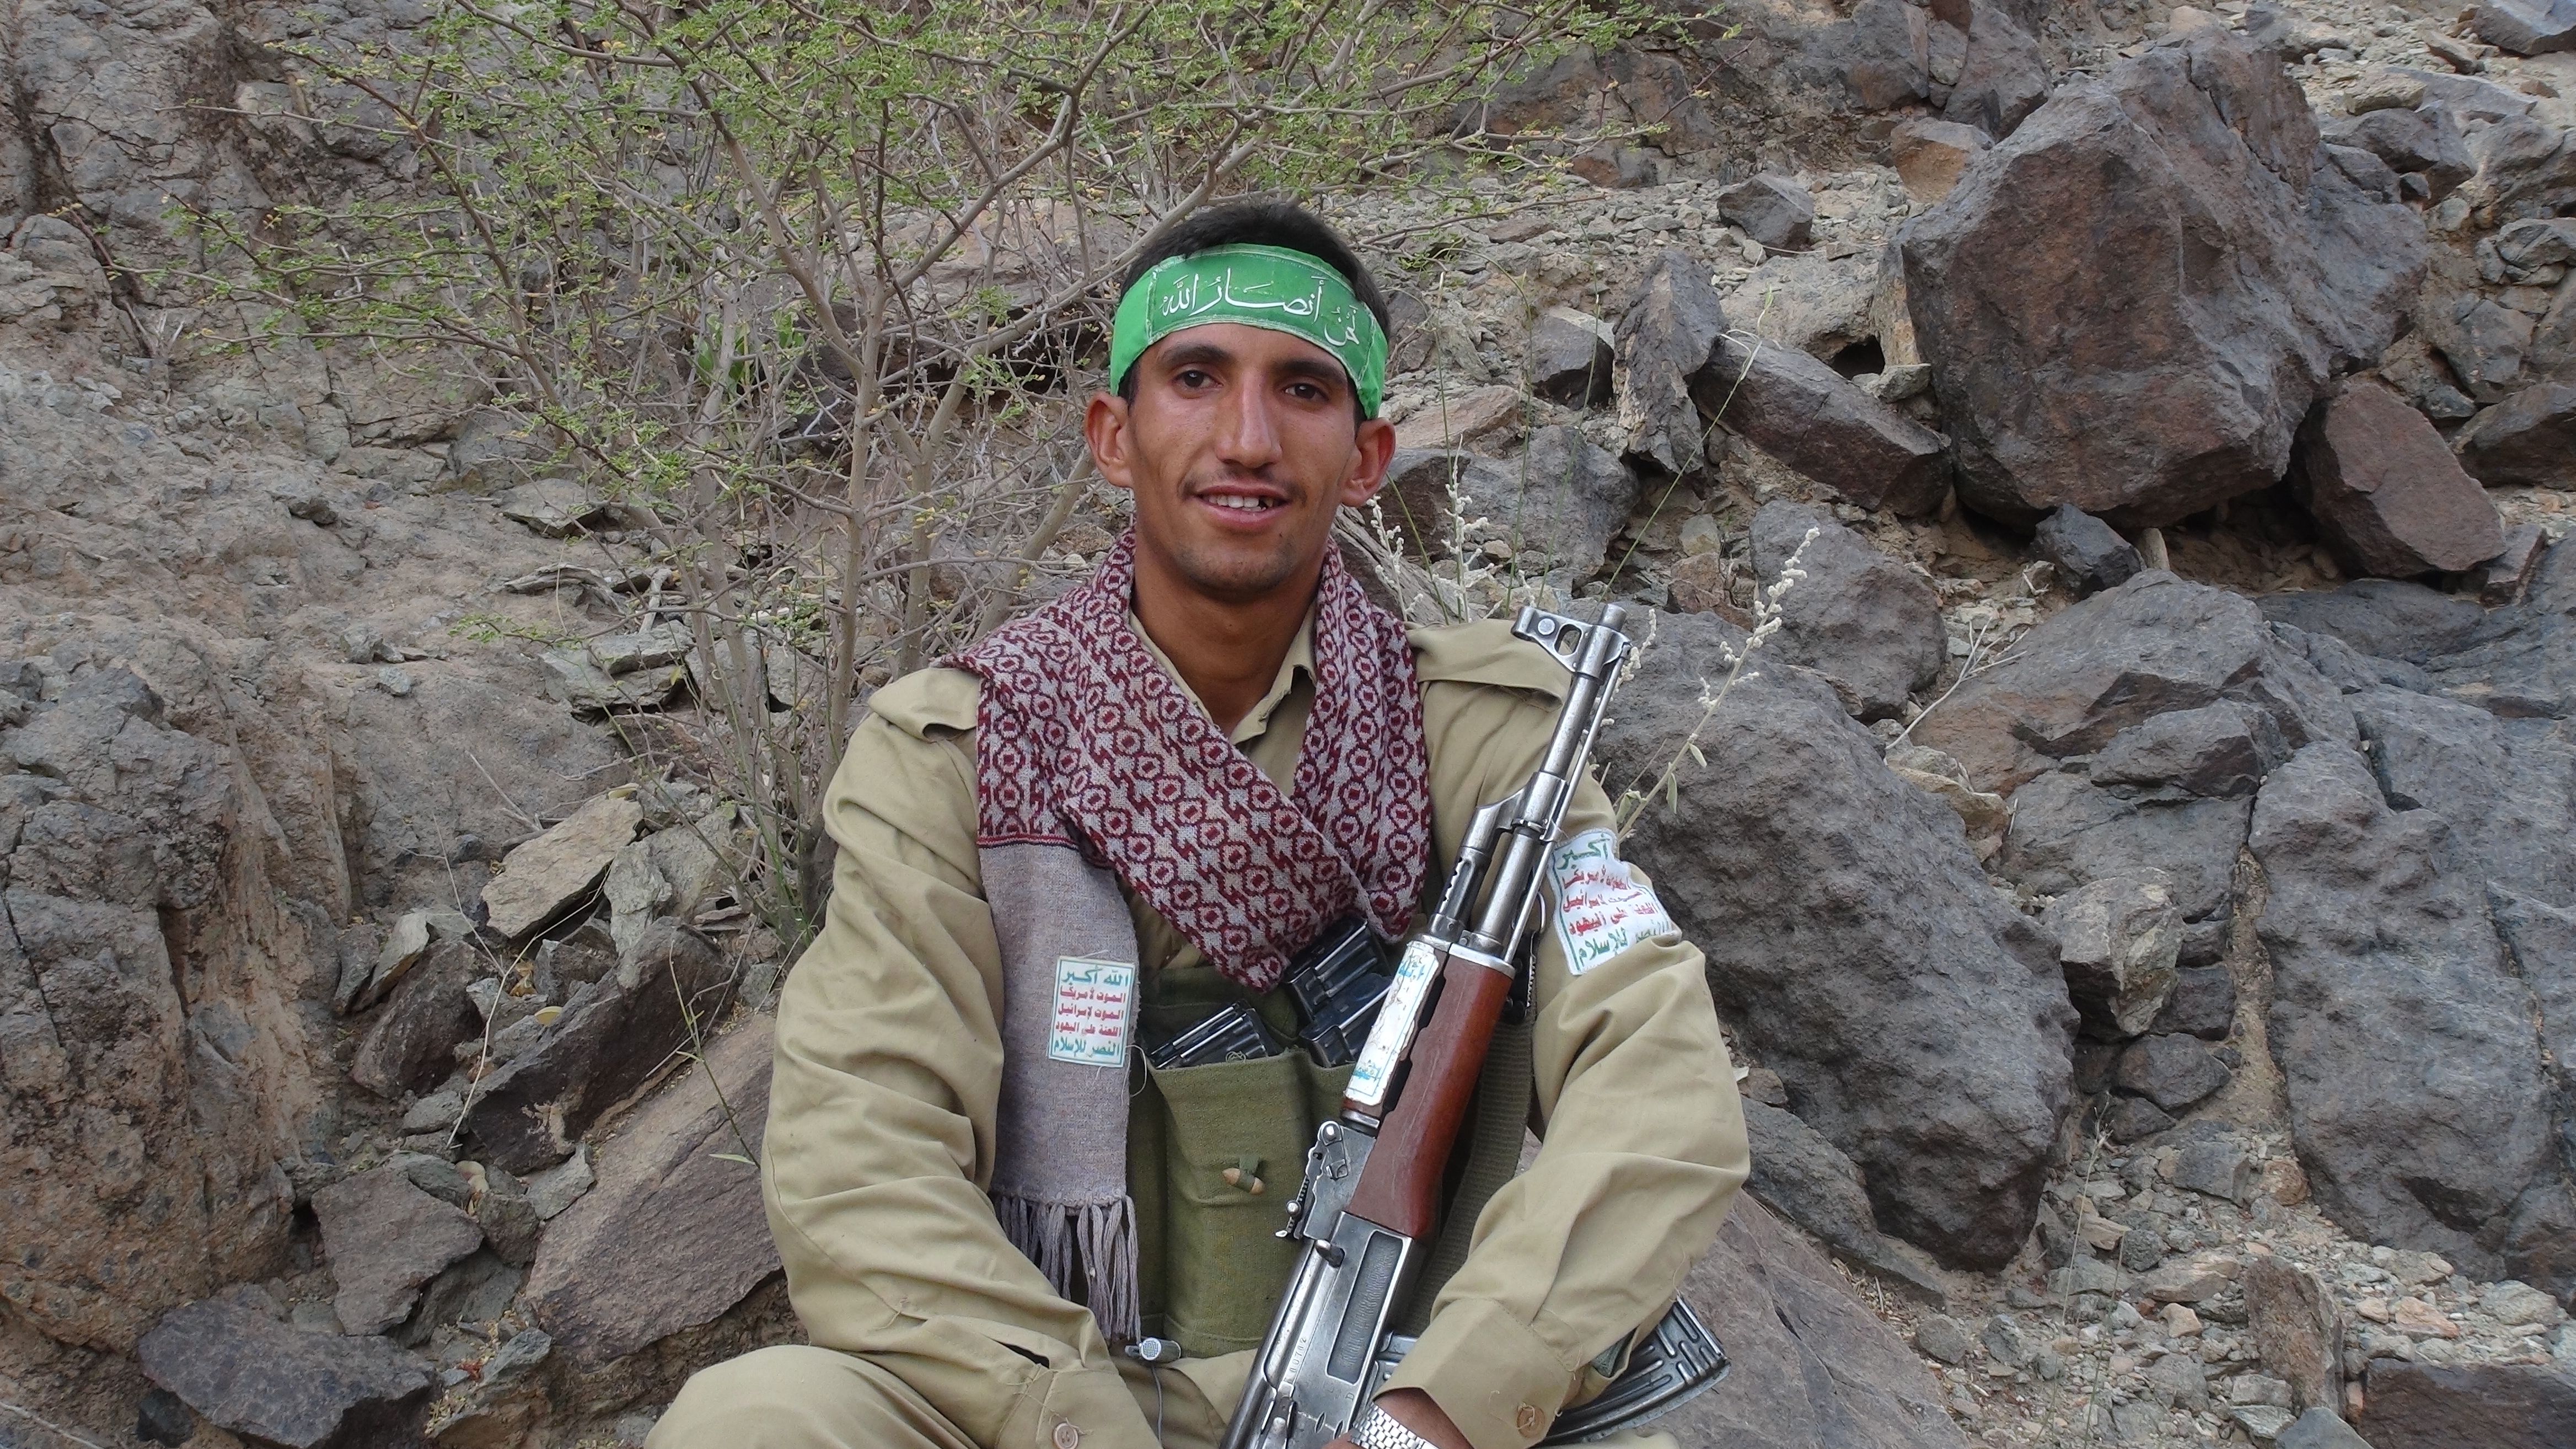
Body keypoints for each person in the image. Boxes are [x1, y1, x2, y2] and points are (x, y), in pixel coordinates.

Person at [650, 200, 1747, 1449]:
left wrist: (1443, 1407)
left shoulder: (1485, 744)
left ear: (1367, 457)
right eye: (1194, 378)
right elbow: (862, 1156)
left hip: (1392, 1396)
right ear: (1113, 437)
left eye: (1302, 390)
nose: (1246, 438)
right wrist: (1072, 1426)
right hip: (1053, 1399)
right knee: (756, 1421)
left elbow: (1654, 1078)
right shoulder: (954, 755)